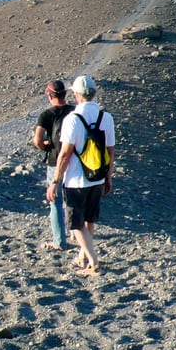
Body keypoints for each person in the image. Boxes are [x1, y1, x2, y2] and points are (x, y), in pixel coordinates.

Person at [47, 75, 115, 275]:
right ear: (93, 93)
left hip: (76, 179)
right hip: (98, 177)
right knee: (88, 220)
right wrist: (109, 177)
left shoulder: (73, 120)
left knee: (75, 224)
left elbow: (65, 154)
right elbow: (111, 151)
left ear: (75, 95)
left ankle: (93, 262)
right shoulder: (106, 117)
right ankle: (83, 256)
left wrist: (54, 181)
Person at [33, 80, 74, 250]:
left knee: (55, 200)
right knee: (71, 199)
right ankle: (76, 231)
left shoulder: (46, 115)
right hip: (75, 160)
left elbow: (37, 140)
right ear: (65, 94)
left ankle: (59, 241)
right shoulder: (74, 111)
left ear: (50, 96)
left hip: (54, 161)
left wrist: (45, 146)